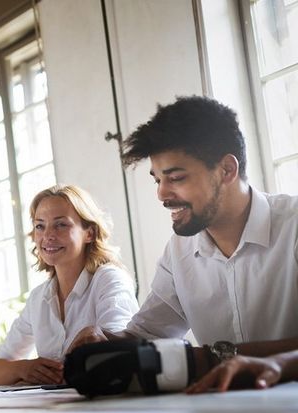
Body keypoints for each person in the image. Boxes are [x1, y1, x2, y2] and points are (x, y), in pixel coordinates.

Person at [68, 96, 298, 378]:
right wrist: (104, 340)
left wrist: (214, 357)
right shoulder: (179, 251)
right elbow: (147, 334)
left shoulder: (293, 226)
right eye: (157, 180)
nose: (162, 194)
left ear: (227, 170)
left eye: (176, 178)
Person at [0, 185, 138, 386]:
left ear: (89, 233)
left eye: (61, 225)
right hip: (60, 408)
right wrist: (25, 368)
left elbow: (118, 355)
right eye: (40, 226)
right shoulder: (39, 297)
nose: (47, 235)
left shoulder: (109, 280)